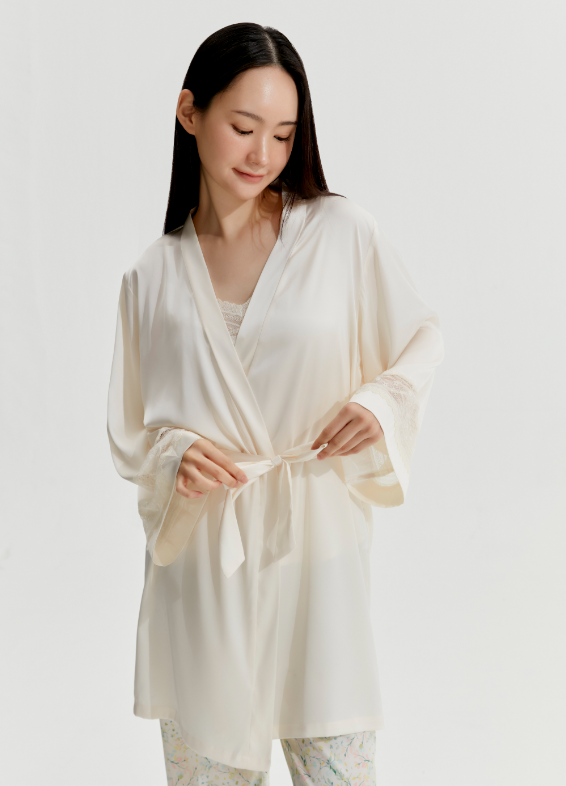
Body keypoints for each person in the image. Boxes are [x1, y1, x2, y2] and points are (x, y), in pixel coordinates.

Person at [107, 22, 444, 786]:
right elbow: (132, 433)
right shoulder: (151, 278)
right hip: (203, 578)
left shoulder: (340, 233)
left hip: (317, 561)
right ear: (190, 113)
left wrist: (380, 400)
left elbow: (421, 338)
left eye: (284, 135)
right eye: (244, 127)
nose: (263, 154)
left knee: (337, 770)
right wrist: (176, 454)